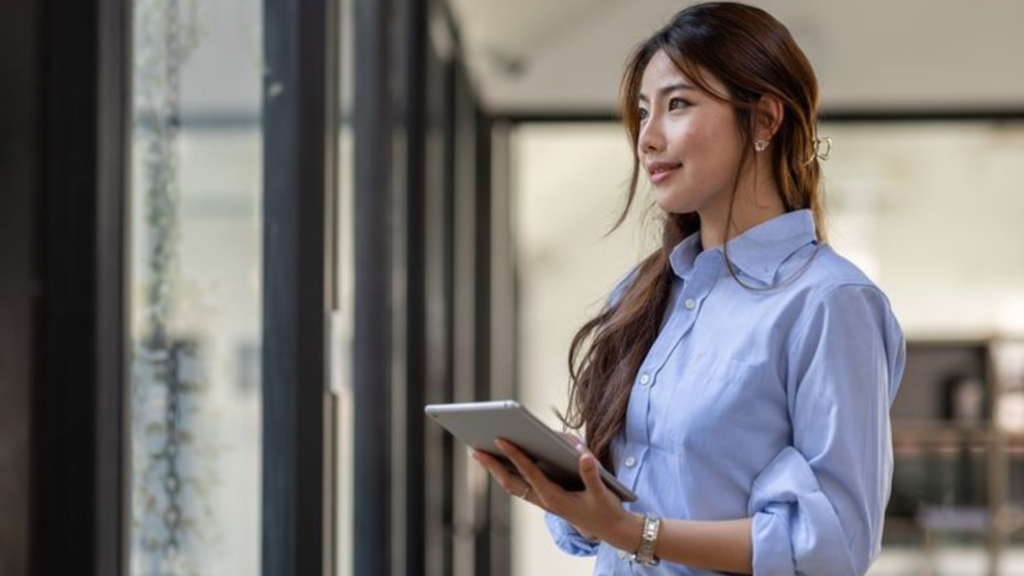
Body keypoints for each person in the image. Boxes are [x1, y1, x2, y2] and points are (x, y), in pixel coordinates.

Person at [470, 2, 905, 575]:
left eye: (677, 105)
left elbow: (832, 545)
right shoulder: (644, 292)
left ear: (765, 120)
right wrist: (576, 494)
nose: (647, 138)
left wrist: (630, 530)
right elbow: (614, 526)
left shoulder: (829, 303)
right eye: (644, 112)